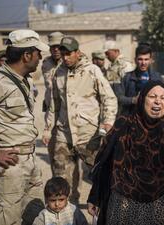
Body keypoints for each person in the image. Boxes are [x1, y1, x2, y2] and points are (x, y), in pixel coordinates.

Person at [87, 80, 164, 225]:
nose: (158, 102)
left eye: (163, 98)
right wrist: (95, 196)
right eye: (153, 97)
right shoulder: (124, 124)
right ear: (142, 99)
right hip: (124, 205)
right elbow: (104, 163)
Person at [42, 36, 117, 204]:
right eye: (63, 54)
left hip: (89, 135)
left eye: (69, 54)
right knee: (61, 178)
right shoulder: (58, 73)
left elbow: (109, 98)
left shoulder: (92, 71)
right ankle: (68, 212)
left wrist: (108, 122)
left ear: (77, 52)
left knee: (101, 173)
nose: (66, 58)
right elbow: (54, 104)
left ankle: (108, 207)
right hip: (64, 134)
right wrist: (48, 129)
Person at [0, 29, 49, 225]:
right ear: (27, 55)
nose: (40, 57)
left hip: (29, 161)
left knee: (36, 215)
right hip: (9, 168)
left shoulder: (26, 81)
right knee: (7, 220)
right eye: (38, 53)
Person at [116, 43, 164, 115]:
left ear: (150, 60)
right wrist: (133, 100)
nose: (143, 63)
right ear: (135, 60)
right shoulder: (127, 77)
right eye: (140, 59)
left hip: (152, 119)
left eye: (146, 59)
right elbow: (119, 98)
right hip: (131, 118)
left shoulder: (156, 77)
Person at [41, 31, 64, 174]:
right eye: (52, 46)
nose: (55, 49)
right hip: (51, 114)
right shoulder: (46, 63)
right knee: (53, 156)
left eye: (58, 46)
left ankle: (73, 194)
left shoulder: (70, 62)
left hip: (67, 116)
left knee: (66, 159)